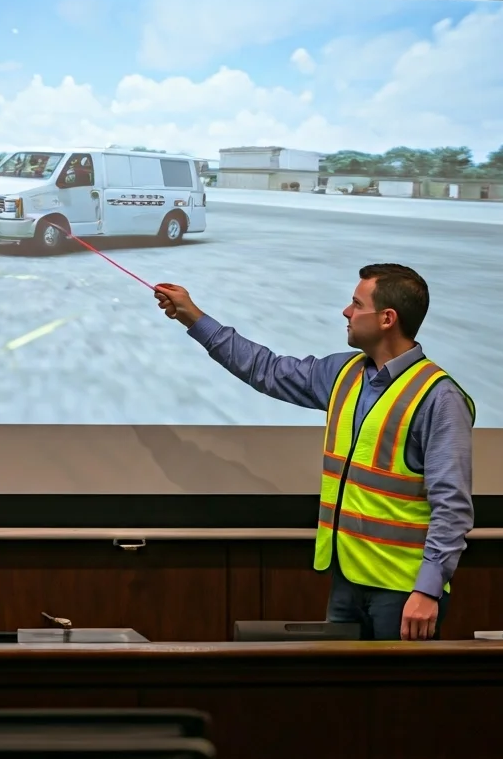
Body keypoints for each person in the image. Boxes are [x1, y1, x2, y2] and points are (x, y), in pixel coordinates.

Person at [154, 264, 475, 642]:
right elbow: (265, 369)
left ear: (388, 319)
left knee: (399, 701)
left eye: (357, 304)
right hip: (347, 581)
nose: (346, 311)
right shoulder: (344, 373)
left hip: (403, 593)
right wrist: (194, 318)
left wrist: (427, 590)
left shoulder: (439, 397)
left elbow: (452, 505)